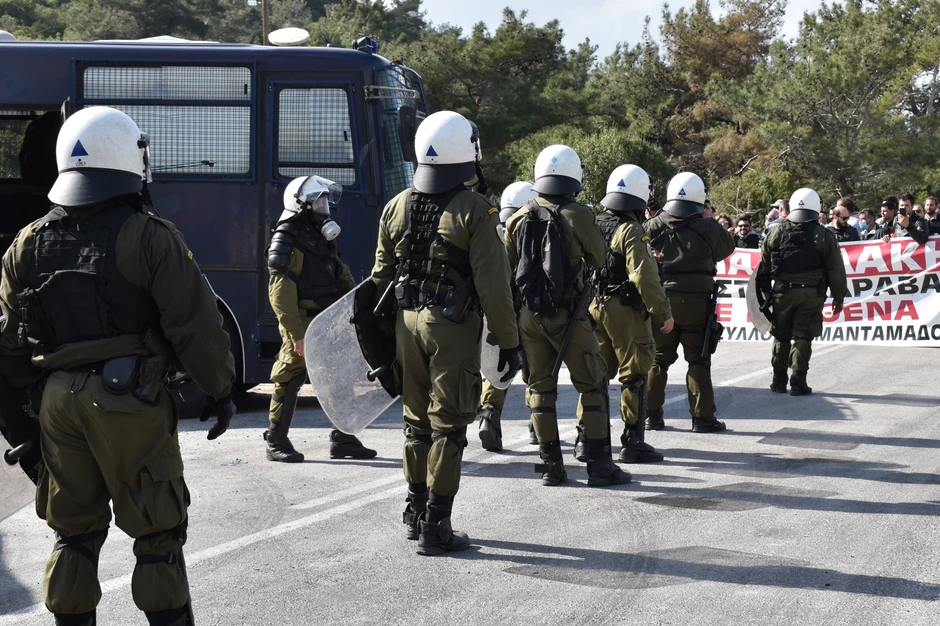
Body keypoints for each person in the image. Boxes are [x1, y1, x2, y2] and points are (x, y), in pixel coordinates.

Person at [0, 106, 236, 626]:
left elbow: (8, 347)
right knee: (157, 534)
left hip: (57, 403)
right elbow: (195, 325)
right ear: (128, 159)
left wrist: (27, 420)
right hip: (130, 399)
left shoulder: (27, 242)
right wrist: (220, 391)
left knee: (73, 533)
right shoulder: (150, 235)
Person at [370, 111, 521, 555]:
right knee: (450, 426)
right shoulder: (476, 209)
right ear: (465, 152)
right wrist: (508, 343)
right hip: (450, 327)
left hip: (405, 324)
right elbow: (495, 286)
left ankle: (415, 511)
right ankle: (437, 524)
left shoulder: (396, 204)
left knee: (415, 423)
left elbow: (379, 279)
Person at [505, 144, 631, 487]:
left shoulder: (518, 218)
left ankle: (550, 466)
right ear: (574, 176)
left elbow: (507, 270)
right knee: (592, 384)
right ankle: (600, 466)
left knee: (540, 388)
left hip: (529, 316)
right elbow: (600, 259)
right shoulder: (580, 214)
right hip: (569, 315)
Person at [264, 175, 375, 463]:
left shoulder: (318, 236)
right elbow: (280, 294)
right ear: (302, 205)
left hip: (327, 319)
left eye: (325, 200)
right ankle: (275, 440)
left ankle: (343, 439)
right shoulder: (286, 239)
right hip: (303, 321)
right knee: (289, 376)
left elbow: (339, 272)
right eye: (318, 200)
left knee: (341, 374)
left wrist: (357, 304)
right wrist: (297, 335)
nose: (324, 206)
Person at [590, 164, 674, 463]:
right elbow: (644, 276)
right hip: (623, 309)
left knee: (596, 376)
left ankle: (587, 439)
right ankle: (632, 441)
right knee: (634, 374)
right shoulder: (631, 229)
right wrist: (662, 313)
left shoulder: (594, 222)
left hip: (593, 304)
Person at [644, 172, 735, 433]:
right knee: (698, 359)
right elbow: (726, 248)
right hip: (697, 301)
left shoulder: (653, 225)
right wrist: (708, 220)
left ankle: (651, 415)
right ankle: (702, 418)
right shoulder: (708, 227)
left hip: (662, 299)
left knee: (658, 359)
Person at [754, 188, 848, 395]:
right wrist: (838, 297)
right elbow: (836, 270)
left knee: (781, 335)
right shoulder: (824, 235)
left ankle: (778, 381)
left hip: (781, 294)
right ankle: (798, 382)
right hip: (811, 295)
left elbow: (763, 267)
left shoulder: (776, 231)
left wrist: (765, 291)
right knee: (803, 337)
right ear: (817, 208)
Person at [477, 180, 539, 451]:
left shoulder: (493, 230)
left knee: (498, 367)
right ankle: (538, 424)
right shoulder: (534, 232)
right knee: (537, 368)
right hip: (529, 311)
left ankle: (489, 416)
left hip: (496, 312)